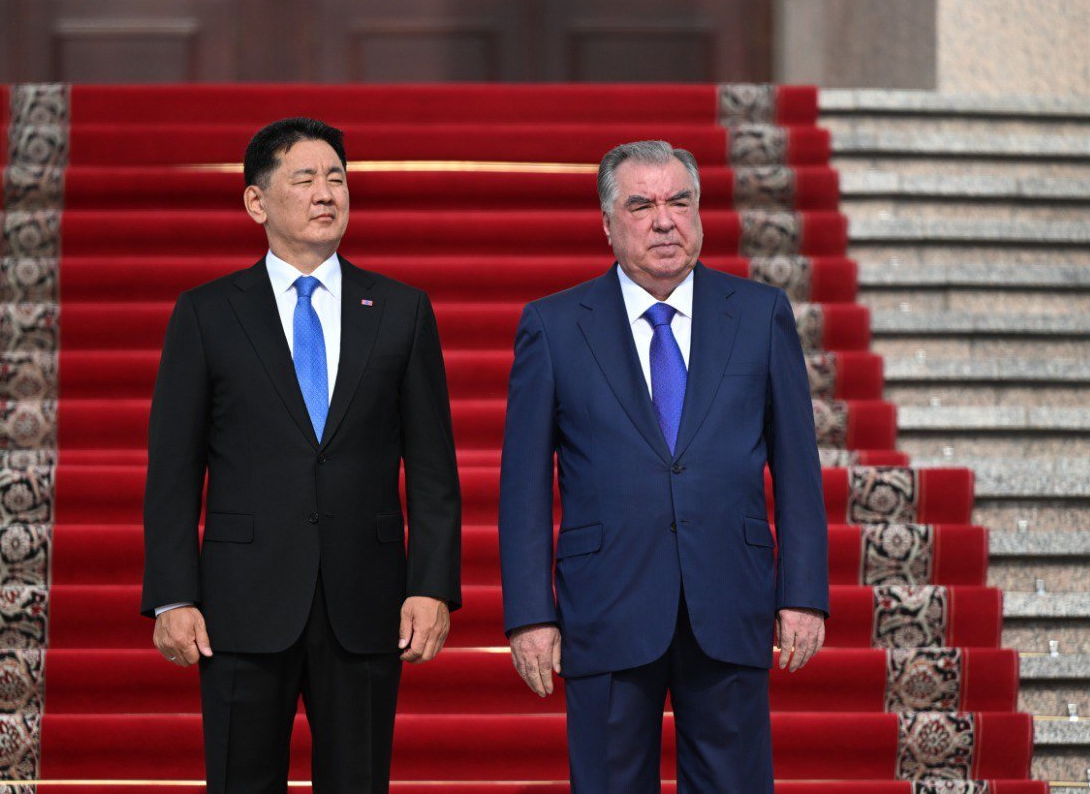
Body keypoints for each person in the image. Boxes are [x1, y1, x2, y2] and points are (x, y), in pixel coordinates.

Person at [140, 117, 462, 793]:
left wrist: (430, 585)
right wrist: (173, 594)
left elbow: (434, 470)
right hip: (240, 604)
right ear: (256, 201)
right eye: (306, 178)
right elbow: (173, 472)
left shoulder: (400, 310)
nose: (326, 193)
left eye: (337, 178)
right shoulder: (207, 314)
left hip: (366, 602)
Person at [498, 140, 829, 792]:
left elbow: (798, 467)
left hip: (730, 594)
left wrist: (802, 593)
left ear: (699, 212)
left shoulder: (760, 314)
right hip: (606, 601)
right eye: (641, 205)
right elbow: (523, 488)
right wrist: (531, 613)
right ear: (607, 223)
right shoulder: (555, 326)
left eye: (680, 202)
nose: (664, 221)